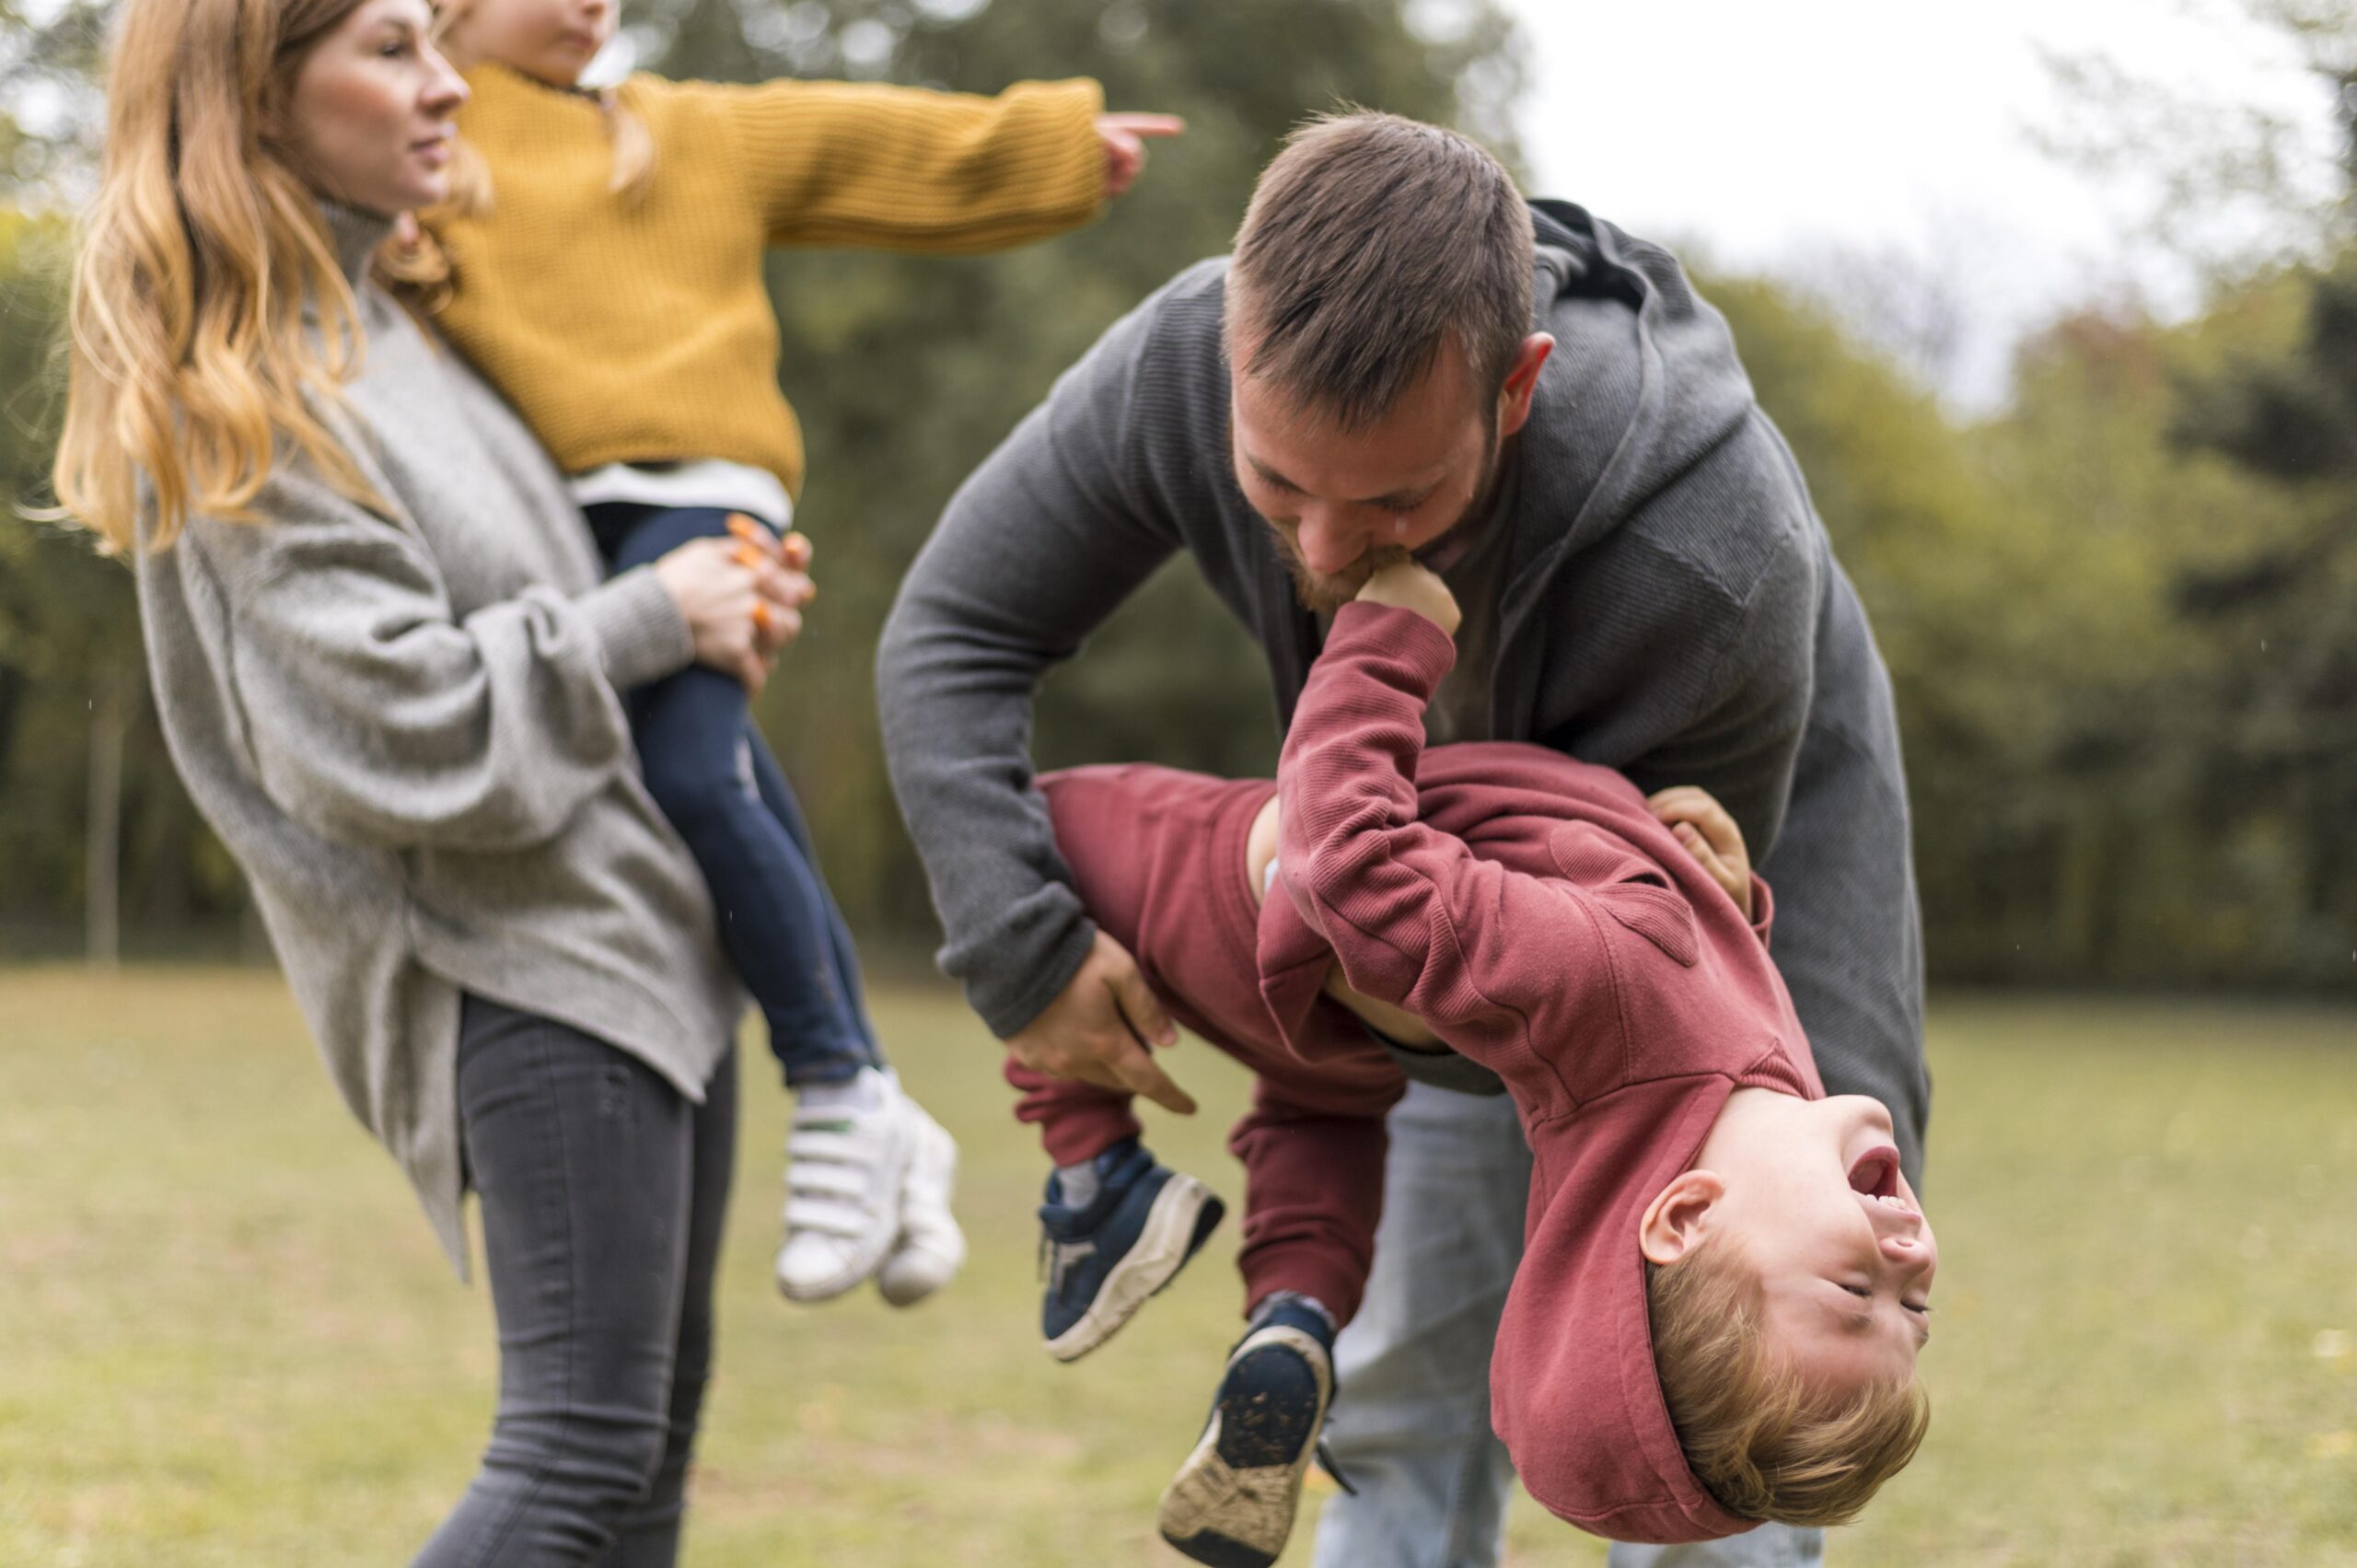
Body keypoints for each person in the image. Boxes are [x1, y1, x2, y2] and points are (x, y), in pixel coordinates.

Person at [879, 110, 1931, 1568]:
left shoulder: (1707, 548)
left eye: (1393, 500)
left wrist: (1292, 898)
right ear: (1229, 351)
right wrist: (1022, 945)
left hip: (1742, 964)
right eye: (1275, 485)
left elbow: (1611, 965)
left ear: (1517, 390)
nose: (1321, 551)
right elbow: (954, 630)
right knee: (1405, 1398)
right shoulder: (1183, 365)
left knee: (1710, 1477)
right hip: (1443, 872)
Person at [52, 1, 805, 1560]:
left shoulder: (397, 326)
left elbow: (547, 597)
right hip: (521, 970)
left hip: (651, 948)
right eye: (390, 48)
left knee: (638, 1475)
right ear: (252, 97)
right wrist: (656, 618)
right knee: (577, 1461)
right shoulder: (240, 389)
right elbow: (399, 732)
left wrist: (705, 598)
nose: (449, 80)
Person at [420, 0, 1182, 1303]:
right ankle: (887, 1101)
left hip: (701, 500)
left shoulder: (676, 132)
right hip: (557, 524)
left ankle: (831, 1076)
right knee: (712, 767)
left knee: (695, 777)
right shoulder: (434, 143)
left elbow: (859, 144)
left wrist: (1053, 147)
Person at [1009, 558, 1935, 1566]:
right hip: (1329, 1014)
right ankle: (1285, 1293)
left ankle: (1097, 1163)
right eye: (1916, 1306)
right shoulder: (1763, 1100)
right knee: (1311, 1115)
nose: (1911, 1258)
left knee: (1033, 853)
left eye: (1857, 1289)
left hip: (1238, 898)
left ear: (1687, 1213)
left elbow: (1350, 869)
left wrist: (1381, 642)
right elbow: (1702, 974)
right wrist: (1718, 888)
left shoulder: (1603, 986)